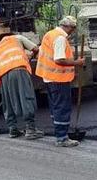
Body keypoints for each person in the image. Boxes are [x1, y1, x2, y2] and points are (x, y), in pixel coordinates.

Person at [35, 16, 85, 147]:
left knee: (55, 107)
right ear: (69, 27)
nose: (73, 31)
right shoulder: (60, 38)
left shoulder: (49, 34)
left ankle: (59, 133)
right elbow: (59, 60)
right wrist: (76, 62)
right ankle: (62, 138)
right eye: (73, 28)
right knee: (62, 107)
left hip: (49, 77)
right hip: (58, 79)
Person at [0, 33, 44, 139]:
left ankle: (12, 129)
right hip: (19, 70)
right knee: (26, 97)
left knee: (8, 101)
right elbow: (36, 48)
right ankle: (30, 129)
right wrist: (30, 55)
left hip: (4, 75)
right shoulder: (17, 38)